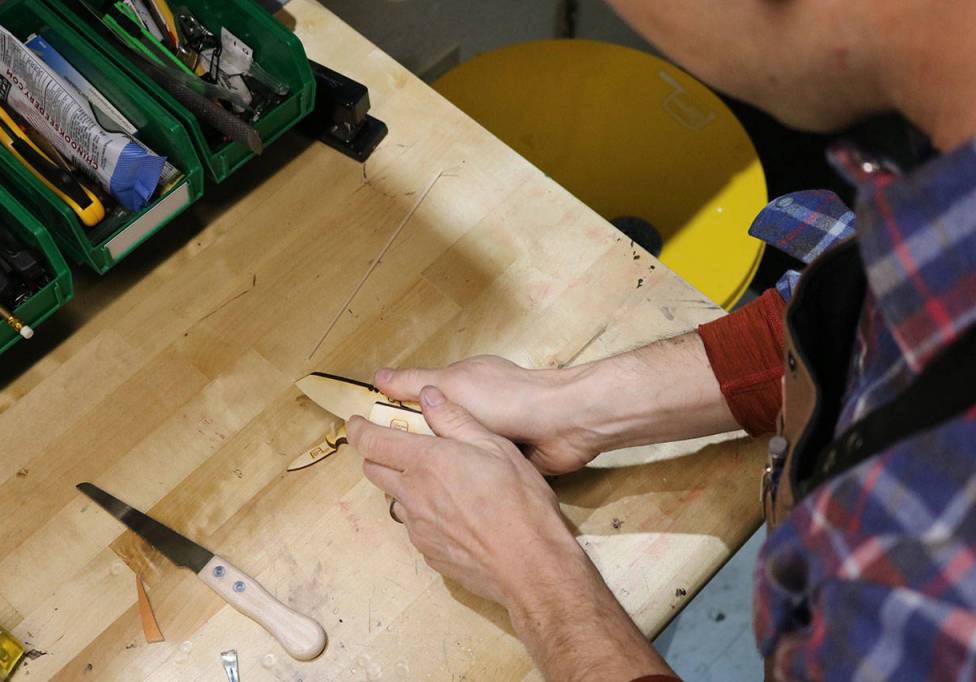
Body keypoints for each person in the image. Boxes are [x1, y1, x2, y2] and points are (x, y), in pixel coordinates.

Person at [347, 1, 976, 679]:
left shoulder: (940, 588)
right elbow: (877, 303)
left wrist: (534, 574)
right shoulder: (945, 163)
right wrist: (571, 405)